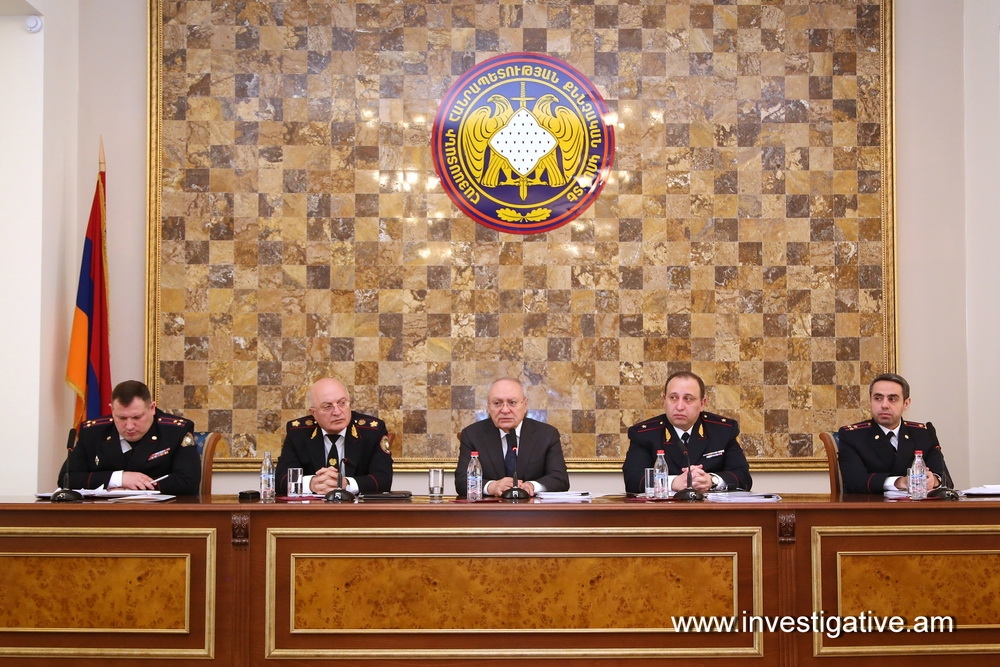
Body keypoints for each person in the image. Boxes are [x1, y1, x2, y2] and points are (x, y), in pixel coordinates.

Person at [60, 380, 200, 495]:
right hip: (105, 514)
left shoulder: (175, 431)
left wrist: (132, 489)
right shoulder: (93, 432)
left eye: (137, 417)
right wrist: (119, 478)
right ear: (112, 410)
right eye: (121, 418)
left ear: (152, 408)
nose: (129, 426)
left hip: (161, 513)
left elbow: (188, 481)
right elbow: (66, 479)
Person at [622, 371, 752, 494]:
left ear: (702, 403)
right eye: (673, 398)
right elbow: (633, 480)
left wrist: (711, 480)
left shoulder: (722, 431)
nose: (679, 407)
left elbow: (743, 478)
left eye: (688, 399)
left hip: (711, 509)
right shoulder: (644, 434)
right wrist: (672, 483)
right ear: (664, 400)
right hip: (663, 510)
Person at [274, 378, 393, 496]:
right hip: (313, 508)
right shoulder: (298, 432)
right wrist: (311, 483)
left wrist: (347, 484)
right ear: (313, 413)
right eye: (327, 406)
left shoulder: (372, 431)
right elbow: (280, 480)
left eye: (342, 403)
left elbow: (383, 480)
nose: (337, 412)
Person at [454, 377, 570, 497]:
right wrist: (491, 487)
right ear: (489, 406)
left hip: (532, 507)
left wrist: (531, 486)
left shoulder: (547, 434)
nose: (505, 410)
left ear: (525, 405)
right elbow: (462, 481)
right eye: (497, 403)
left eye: (512, 403)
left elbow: (560, 479)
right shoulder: (472, 435)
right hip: (490, 507)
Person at [837, 373, 950, 494]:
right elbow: (855, 481)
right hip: (871, 505)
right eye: (878, 398)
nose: (884, 405)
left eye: (892, 399)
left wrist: (934, 480)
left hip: (916, 505)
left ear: (906, 403)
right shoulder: (852, 436)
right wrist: (899, 482)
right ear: (870, 401)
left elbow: (945, 479)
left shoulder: (924, 434)